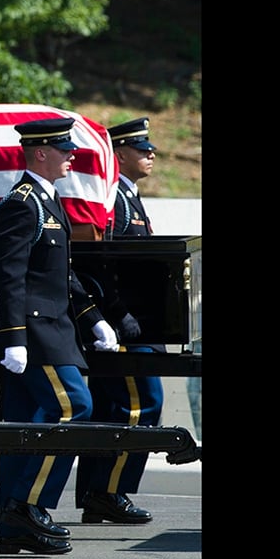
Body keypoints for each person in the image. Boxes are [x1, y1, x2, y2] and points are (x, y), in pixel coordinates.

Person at [0, 117, 121, 555]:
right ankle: (29, 506)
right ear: (40, 153)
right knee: (73, 407)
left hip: (56, 331)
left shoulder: (49, 201)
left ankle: (14, 527)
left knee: (24, 427)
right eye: (64, 151)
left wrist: (94, 318)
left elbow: (60, 276)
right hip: (36, 335)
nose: (72, 157)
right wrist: (13, 336)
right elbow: (9, 276)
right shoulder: (21, 204)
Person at [73, 117, 162, 525]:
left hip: (137, 323)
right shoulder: (116, 201)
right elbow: (103, 264)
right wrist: (114, 313)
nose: (151, 155)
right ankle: (107, 491)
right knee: (138, 406)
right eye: (142, 149)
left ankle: (101, 492)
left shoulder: (128, 197)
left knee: (116, 408)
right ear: (120, 154)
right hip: (122, 327)